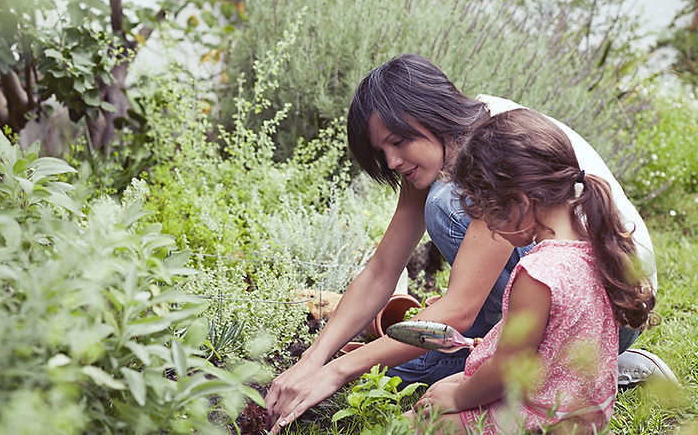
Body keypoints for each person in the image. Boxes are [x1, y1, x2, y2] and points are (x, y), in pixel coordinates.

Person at [264, 54, 665, 433]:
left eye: (397, 141)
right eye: (382, 151)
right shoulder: (443, 144)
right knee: (402, 367)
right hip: (588, 304)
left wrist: (337, 372)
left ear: (430, 115)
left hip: (609, 313)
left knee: (443, 209)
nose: (391, 161)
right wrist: (314, 360)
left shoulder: (497, 151)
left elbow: (457, 311)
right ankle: (571, 369)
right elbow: (382, 270)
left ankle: (576, 366)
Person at [406, 107, 658, 433]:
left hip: (541, 418)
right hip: (581, 410)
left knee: (412, 424)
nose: (491, 230)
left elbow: (506, 370)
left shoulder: (538, 275)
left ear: (520, 203)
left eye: (490, 214)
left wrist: (457, 398)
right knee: (447, 386)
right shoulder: (595, 243)